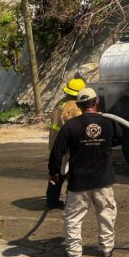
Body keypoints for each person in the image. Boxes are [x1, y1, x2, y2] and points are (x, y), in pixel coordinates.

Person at [48, 87, 122, 257]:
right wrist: (102, 144)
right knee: (106, 214)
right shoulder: (108, 122)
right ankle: (106, 248)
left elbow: (57, 153)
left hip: (79, 181)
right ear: (96, 102)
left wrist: (54, 172)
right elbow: (119, 138)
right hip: (103, 180)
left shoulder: (70, 126)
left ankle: (74, 254)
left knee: (73, 217)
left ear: (79, 105)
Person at [46, 77, 86, 209]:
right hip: (66, 146)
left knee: (56, 173)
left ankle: (52, 200)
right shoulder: (73, 107)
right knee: (72, 173)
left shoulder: (61, 102)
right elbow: (76, 128)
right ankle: (73, 201)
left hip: (54, 143)